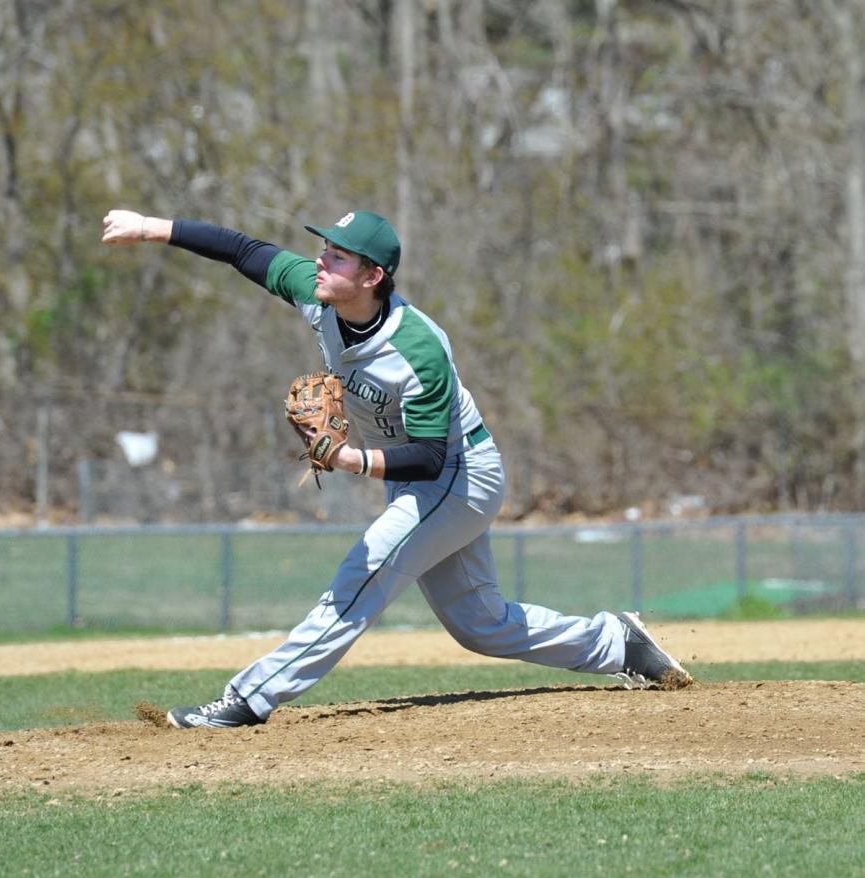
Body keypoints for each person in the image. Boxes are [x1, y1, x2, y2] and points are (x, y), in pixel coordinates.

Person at [101, 208, 692, 729]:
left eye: (337, 255)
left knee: (366, 568)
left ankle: (250, 698)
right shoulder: (317, 293)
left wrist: (348, 458)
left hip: (459, 473)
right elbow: (243, 250)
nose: (320, 260)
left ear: (372, 276)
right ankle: (617, 643)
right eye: (324, 248)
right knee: (480, 625)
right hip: (419, 478)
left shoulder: (419, 349)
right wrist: (151, 228)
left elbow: (431, 457)